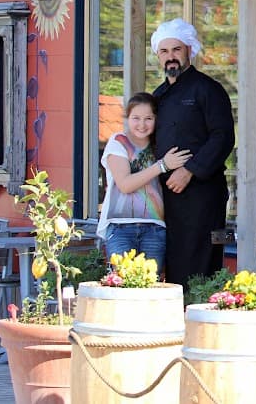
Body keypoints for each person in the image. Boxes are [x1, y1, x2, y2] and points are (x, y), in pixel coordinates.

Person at [151, 18, 236, 286]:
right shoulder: (158, 94)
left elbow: (223, 137)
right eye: (164, 51)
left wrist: (189, 171)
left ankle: (200, 315)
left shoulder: (208, 89)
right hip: (166, 195)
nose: (170, 57)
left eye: (177, 49)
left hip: (202, 194)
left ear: (190, 50)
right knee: (173, 258)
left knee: (201, 258)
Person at [98, 92, 192, 271]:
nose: (142, 124)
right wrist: (162, 165)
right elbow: (125, 185)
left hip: (154, 228)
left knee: (150, 287)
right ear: (127, 118)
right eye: (136, 118)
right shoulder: (119, 142)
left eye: (148, 118)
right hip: (120, 227)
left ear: (156, 119)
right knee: (122, 285)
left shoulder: (160, 145)